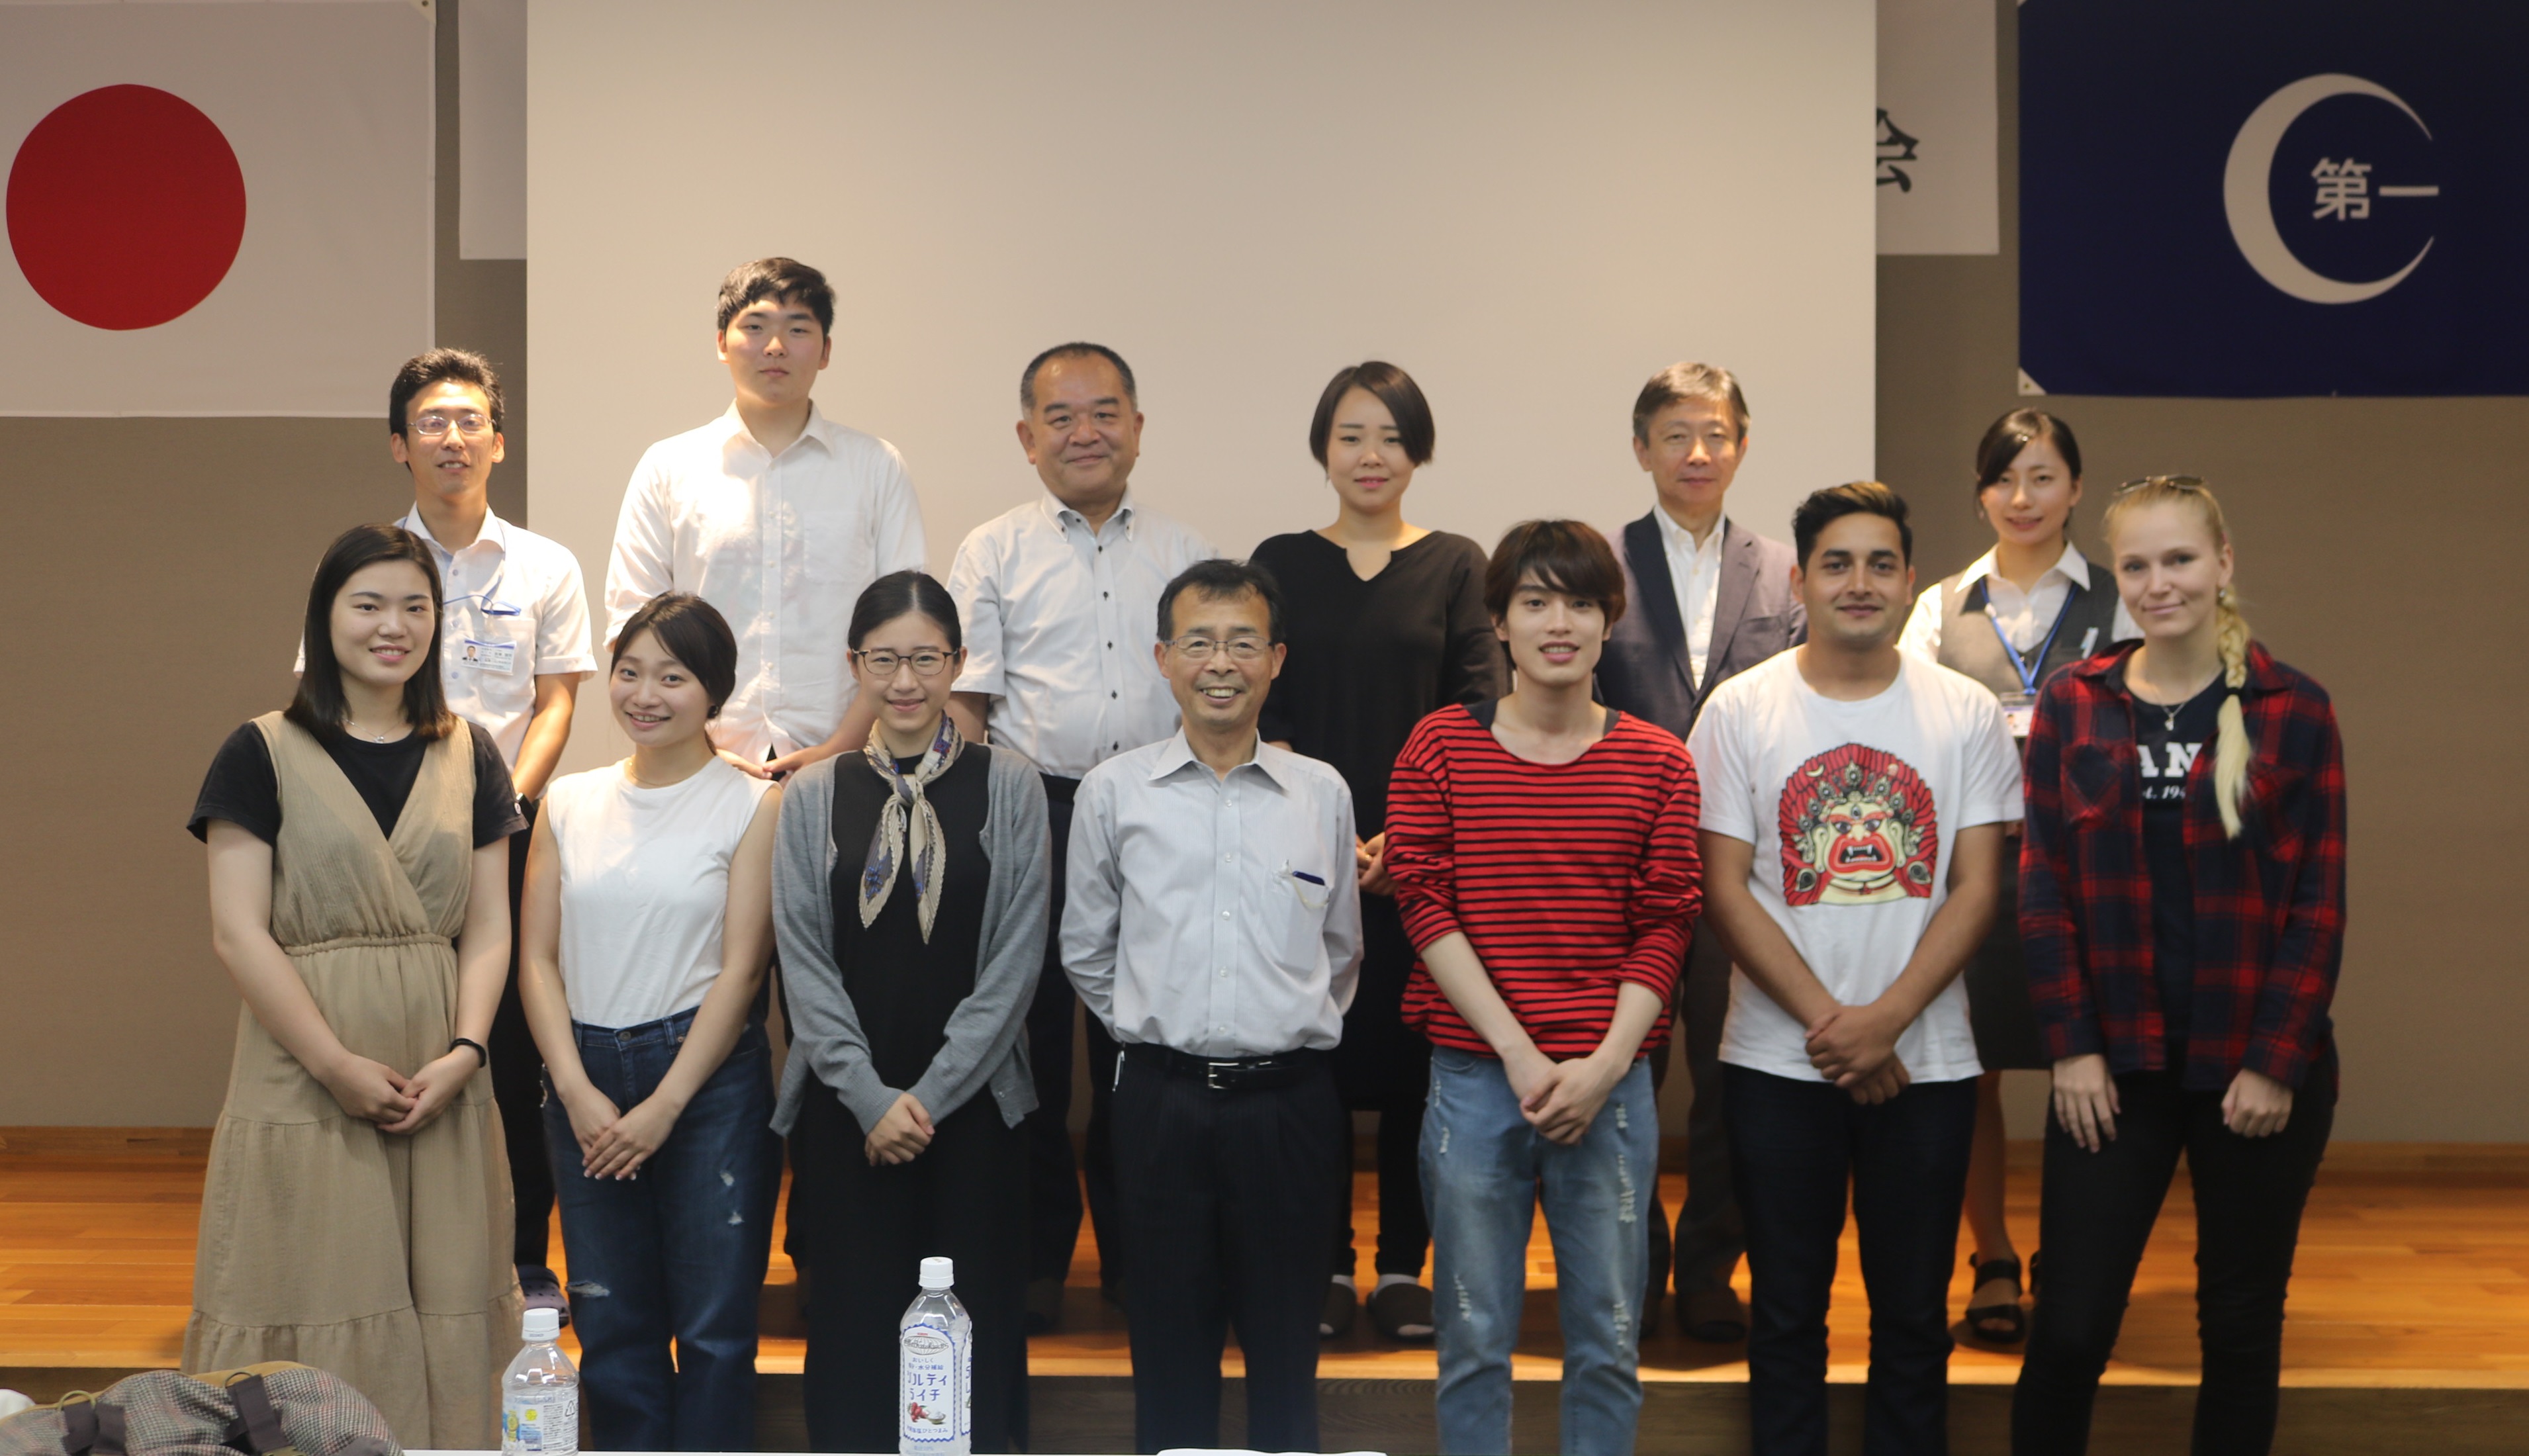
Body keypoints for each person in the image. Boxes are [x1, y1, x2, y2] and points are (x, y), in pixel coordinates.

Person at [2011, 477, 2345, 1456]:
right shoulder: (2074, 703)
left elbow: (2318, 904)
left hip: (2252, 1073)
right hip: (2113, 1070)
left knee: (2238, 1329)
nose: (2159, 584)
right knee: (2069, 1329)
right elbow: (2043, 890)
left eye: (2180, 560)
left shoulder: (2295, 709)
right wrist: (2070, 1049)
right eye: (2137, 565)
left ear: (2223, 563)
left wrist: (2275, 1062)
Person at [1688, 483, 2021, 1456]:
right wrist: (1836, 1026)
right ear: (1799, 582)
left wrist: (1886, 1021)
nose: (1859, 583)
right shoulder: (1739, 708)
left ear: (1910, 580)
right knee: (1785, 1313)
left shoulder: (1963, 711)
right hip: (1774, 1062)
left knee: (1913, 1320)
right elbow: (1724, 889)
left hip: (1928, 1063)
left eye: (1881, 563)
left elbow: (1977, 888)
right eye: (1836, 564)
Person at [187, 523, 526, 1447]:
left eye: (415, 607)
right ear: (324, 615)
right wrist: (335, 1064)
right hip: (305, 1068)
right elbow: (238, 931)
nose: (393, 626)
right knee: (308, 1281)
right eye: (368, 603)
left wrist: (467, 1051)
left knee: (449, 1285)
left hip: (440, 1075)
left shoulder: (472, 751)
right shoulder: (259, 750)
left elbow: (489, 926)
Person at [1385, 520, 1702, 1456]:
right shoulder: (1439, 746)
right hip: (1475, 1076)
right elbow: (1424, 904)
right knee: (1472, 1336)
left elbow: (1667, 922)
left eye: (1579, 603)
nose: (1557, 623)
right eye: (1534, 602)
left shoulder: (1659, 760)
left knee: (1607, 1340)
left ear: (1609, 620)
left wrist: (1601, 1067)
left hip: (1610, 1083)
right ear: (1498, 622)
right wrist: (1520, 1055)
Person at [1062, 559, 1361, 1455]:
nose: (1220, 664)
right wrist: (1157, 1029)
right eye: (1198, 643)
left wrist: (1276, 1026)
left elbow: (1341, 950)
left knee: (1286, 1350)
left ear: (1275, 660)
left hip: (1289, 1107)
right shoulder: (1114, 791)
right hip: (1160, 1104)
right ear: (1162, 658)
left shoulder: (1321, 792)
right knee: (1166, 1348)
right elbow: (1087, 947)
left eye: (1242, 644)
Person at [945, 342, 1214, 1330]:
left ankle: (1143, 1259)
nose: (1084, 433)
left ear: (1137, 428)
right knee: (1028, 1042)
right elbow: (967, 707)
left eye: (1104, 413)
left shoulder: (1186, 552)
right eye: (1060, 418)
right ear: (1027, 439)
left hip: (1159, 810)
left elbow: (1216, 691)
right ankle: (1033, 1261)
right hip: (1031, 811)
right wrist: (981, 830)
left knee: (1140, 1043)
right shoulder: (992, 550)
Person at [1248, 361, 1504, 1343]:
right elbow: (1259, 699)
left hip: (1421, 860)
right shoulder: (1279, 560)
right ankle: (1321, 1263)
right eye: (1351, 435)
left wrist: (1410, 832)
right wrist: (1326, 830)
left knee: (1415, 1069)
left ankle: (1402, 1267)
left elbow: (1477, 709)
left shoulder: (1456, 563)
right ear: (1322, 449)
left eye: (1392, 437)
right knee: (1309, 1065)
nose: (1371, 455)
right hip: (1300, 858)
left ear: (1418, 452)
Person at [774, 572, 1051, 1454]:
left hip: (972, 1109)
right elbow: (803, 964)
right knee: (853, 1330)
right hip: (846, 1111)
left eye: (926, 659)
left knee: (976, 1330)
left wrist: (925, 1100)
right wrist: (870, 1099)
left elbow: (1015, 966)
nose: (905, 682)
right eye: (883, 660)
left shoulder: (1011, 785)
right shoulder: (813, 793)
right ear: (854, 664)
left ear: (957, 663)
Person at [351, 348, 596, 1316]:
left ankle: (523, 1261)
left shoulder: (545, 565)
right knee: (398, 1034)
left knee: (512, 1055)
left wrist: (501, 809)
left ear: (499, 440)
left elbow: (556, 704)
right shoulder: (366, 563)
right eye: (430, 422)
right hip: (388, 839)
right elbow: (335, 699)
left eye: (468, 421)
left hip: (508, 833)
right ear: (399, 446)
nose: (451, 438)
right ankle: (394, 1263)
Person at [515, 592, 783, 1452]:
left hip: (706, 1082)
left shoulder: (752, 803)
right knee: (612, 1325)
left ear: (714, 691)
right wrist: (573, 1089)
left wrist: (665, 1106)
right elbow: (536, 960)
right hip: (584, 1076)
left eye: (672, 677)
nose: (644, 694)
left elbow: (743, 971)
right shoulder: (567, 800)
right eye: (629, 672)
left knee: (714, 1328)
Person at [1897, 408, 2138, 1343]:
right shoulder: (1939, 606)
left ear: (2074, 488)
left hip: (2090, 869)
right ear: (1980, 494)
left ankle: (2074, 1259)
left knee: (2097, 1064)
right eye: (2003, 478)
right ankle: (1992, 1254)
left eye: (2042, 477)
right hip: (1979, 870)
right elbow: (1910, 734)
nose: (2022, 497)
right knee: (1974, 1070)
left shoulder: (2119, 599)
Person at [1593, 361, 1805, 1342]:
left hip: (1740, 866)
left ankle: (1712, 1268)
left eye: (1716, 433)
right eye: (1675, 434)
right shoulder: (1600, 567)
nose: (1697, 452)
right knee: (1621, 1076)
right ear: (1641, 448)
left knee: (1732, 1076)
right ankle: (1630, 1272)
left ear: (1742, 445)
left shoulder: (1783, 569)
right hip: (1621, 869)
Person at [604, 256, 927, 778]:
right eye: (755, 327)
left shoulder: (875, 466)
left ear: (825, 351)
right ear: (721, 343)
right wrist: (700, 749)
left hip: (851, 762)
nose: (775, 346)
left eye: (797, 329)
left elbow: (904, 628)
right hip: (694, 762)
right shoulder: (668, 466)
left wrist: (838, 749)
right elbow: (632, 620)